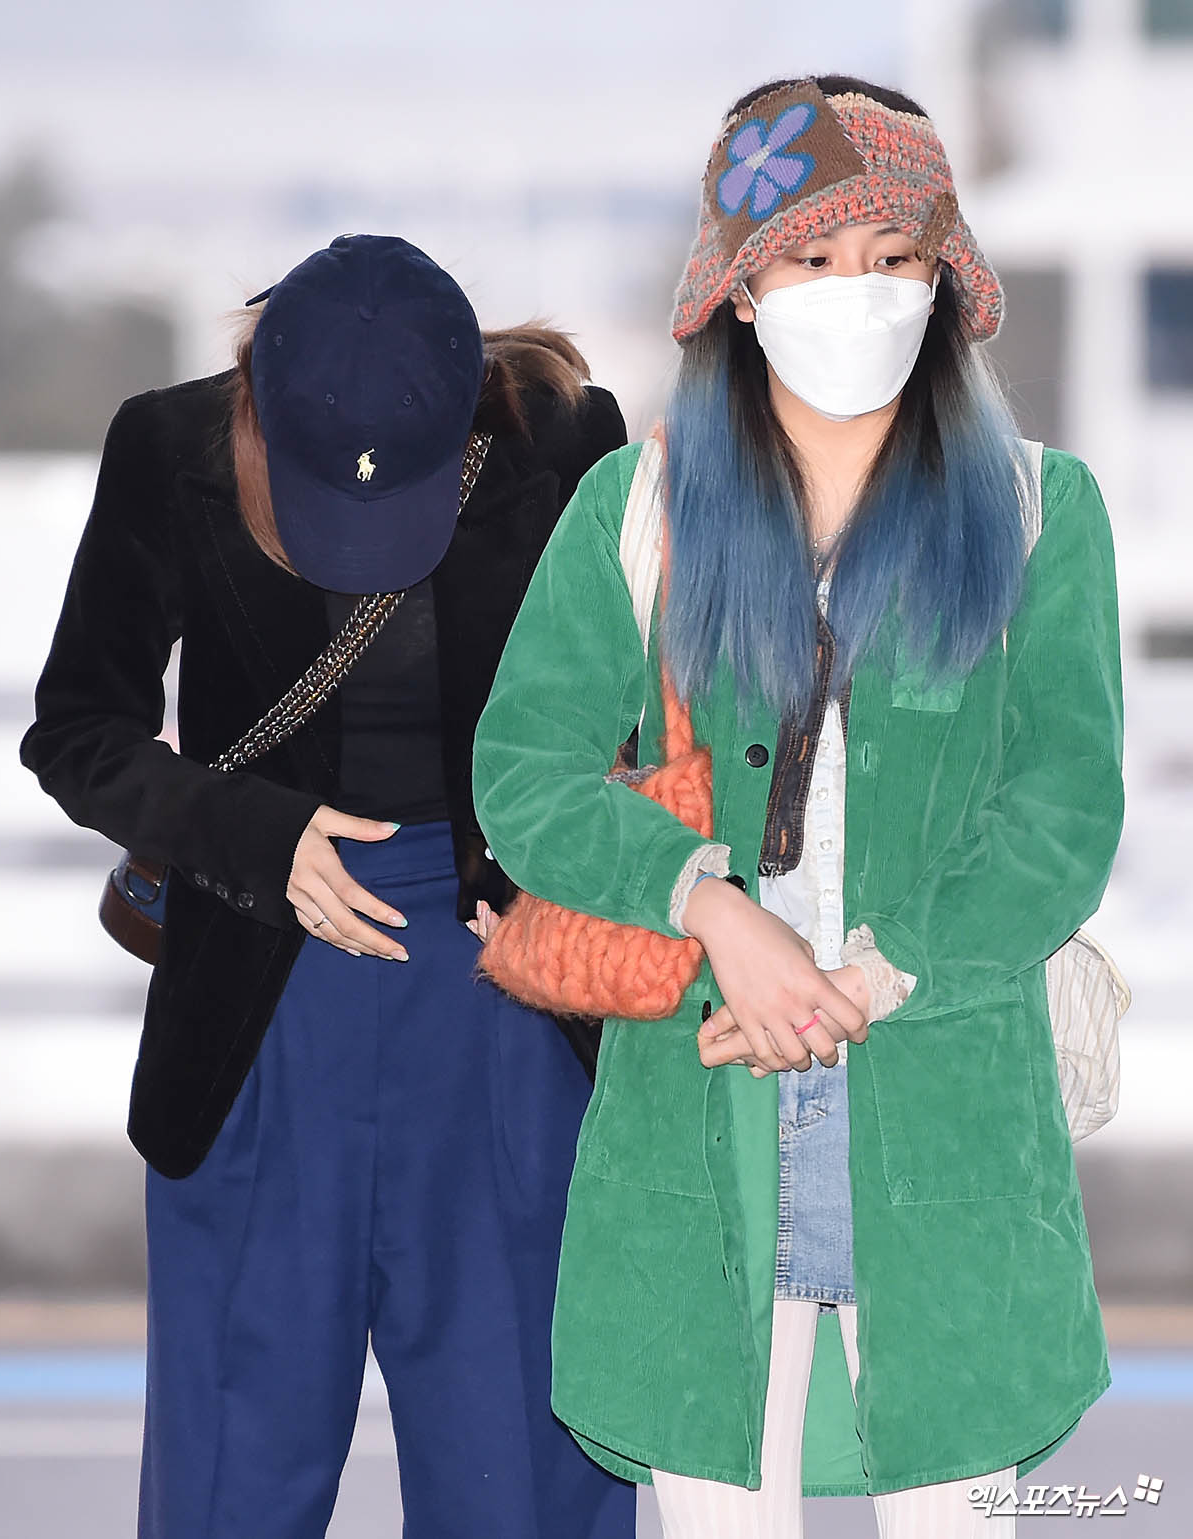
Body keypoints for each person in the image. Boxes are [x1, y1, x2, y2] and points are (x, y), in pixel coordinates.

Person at [472, 77, 1123, 1539]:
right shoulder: (637, 511)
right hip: (701, 1102)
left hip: (943, 1103)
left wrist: (877, 975)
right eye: (813, 257)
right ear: (740, 288)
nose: (858, 291)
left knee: (957, 1492)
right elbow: (523, 770)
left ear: (945, 281)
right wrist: (712, 907)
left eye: (894, 255)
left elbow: (1063, 810)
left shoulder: (1039, 511)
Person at [21, 234, 634, 1539]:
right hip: (258, 996)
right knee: (231, 1484)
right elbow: (76, 728)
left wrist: (569, 862)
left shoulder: (567, 442)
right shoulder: (170, 448)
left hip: (506, 994)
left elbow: (633, 715)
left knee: (519, 1479)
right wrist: (256, 833)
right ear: (257, 401)